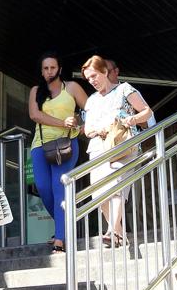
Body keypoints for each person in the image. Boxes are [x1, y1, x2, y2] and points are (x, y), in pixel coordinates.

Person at [81, 55, 152, 246]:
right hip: (98, 148)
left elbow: (147, 111)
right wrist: (99, 130)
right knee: (99, 194)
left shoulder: (124, 89)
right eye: (88, 79)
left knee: (116, 184)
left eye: (94, 76)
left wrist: (133, 119)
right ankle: (119, 233)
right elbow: (87, 130)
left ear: (104, 72)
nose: (92, 81)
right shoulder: (91, 101)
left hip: (124, 145)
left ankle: (112, 230)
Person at [28, 52, 88, 253]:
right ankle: (65, 225)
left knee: (58, 187)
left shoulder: (71, 88)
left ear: (60, 69)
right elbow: (34, 115)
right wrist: (62, 122)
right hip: (41, 144)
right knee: (43, 188)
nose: (49, 71)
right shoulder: (36, 90)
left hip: (66, 143)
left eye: (52, 67)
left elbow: (91, 109)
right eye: (45, 68)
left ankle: (60, 239)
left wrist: (80, 125)